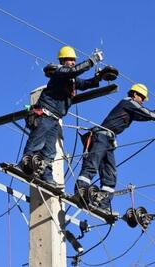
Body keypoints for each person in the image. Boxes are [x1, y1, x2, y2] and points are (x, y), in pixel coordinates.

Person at [74, 83, 155, 211]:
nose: (143, 100)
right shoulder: (128, 102)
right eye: (142, 97)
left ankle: (102, 203)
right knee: (92, 165)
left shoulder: (132, 109)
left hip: (108, 140)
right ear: (135, 94)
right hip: (101, 136)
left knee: (110, 174)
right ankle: (81, 191)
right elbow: (145, 113)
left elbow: (144, 114)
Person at [20, 45, 104, 188]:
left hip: (54, 118)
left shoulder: (72, 80)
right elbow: (74, 70)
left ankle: (46, 176)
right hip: (45, 113)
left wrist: (98, 78)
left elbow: (85, 84)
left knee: (50, 151)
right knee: (36, 143)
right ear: (63, 60)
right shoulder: (60, 71)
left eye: (73, 60)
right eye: (70, 60)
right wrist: (92, 60)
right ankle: (25, 165)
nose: (72, 62)